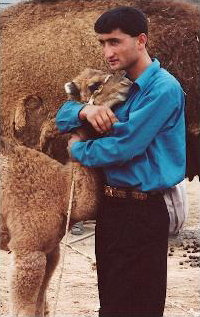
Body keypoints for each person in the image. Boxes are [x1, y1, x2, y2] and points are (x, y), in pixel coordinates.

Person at [56, 6, 186, 317]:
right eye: (102, 43)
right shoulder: (113, 84)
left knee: (139, 307)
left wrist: (78, 150)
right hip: (111, 208)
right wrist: (83, 111)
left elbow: (124, 146)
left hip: (144, 212)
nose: (107, 52)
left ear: (141, 40)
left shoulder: (164, 89)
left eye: (115, 41)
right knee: (112, 306)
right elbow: (62, 112)